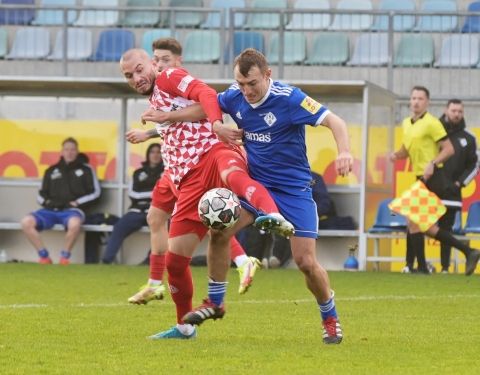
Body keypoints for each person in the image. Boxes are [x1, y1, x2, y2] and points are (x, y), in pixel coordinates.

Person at [162, 48, 353, 344]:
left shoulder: (289, 99)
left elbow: (335, 122)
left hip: (294, 191)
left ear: (267, 75)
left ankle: (329, 316)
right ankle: (215, 302)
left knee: (305, 263)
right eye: (240, 84)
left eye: (252, 83)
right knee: (219, 231)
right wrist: (169, 117)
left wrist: (344, 152)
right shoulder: (235, 96)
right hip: (256, 187)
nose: (246, 91)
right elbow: (205, 105)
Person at [120, 44, 294, 340]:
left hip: (213, 152)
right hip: (188, 180)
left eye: (139, 70)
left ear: (151, 64)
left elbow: (207, 94)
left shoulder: (168, 77)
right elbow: (177, 119)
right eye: (128, 76)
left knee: (233, 174)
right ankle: (185, 328)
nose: (136, 78)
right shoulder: (157, 100)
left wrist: (215, 125)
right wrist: (158, 126)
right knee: (175, 263)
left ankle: (272, 214)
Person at [390, 86, 480, 275]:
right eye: (413, 98)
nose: (416, 101)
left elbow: (448, 149)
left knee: (416, 221)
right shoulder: (407, 123)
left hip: (434, 177)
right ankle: (467, 251)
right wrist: (396, 155)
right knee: (420, 224)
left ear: (427, 102)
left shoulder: (432, 123)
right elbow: (407, 149)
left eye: (420, 98)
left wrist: (433, 162)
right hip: (420, 177)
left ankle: (424, 266)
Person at [20, 137, 101, 265]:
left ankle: (64, 257)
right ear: (61, 152)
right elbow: (40, 195)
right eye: (66, 149)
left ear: (77, 152)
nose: (69, 152)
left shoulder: (86, 169)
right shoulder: (51, 170)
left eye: (73, 150)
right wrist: (48, 203)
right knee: (26, 222)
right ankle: (44, 256)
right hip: (50, 210)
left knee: (74, 224)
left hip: (71, 211)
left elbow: (95, 193)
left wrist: (77, 202)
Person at [101, 143, 164, 264]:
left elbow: (168, 192)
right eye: (152, 152)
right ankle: (107, 260)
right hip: (136, 211)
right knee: (119, 226)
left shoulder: (167, 172)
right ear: (148, 155)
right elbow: (133, 193)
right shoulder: (138, 172)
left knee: (162, 230)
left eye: (158, 152)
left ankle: (150, 260)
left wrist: (149, 195)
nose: (155, 155)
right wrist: (154, 194)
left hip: (157, 210)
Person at [438, 99, 479, 273]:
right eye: (453, 110)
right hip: (431, 188)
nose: (456, 114)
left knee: (445, 229)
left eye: (460, 111)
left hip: (452, 192)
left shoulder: (469, 138)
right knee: (421, 224)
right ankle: (415, 265)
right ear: (446, 111)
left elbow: (474, 165)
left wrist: (459, 183)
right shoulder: (436, 132)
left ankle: (445, 268)